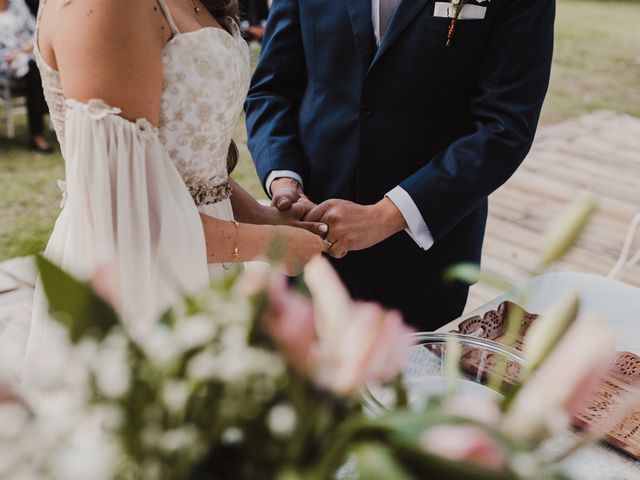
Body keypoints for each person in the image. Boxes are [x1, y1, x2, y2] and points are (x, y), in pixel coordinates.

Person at [17, 0, 328, 388]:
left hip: (207, 257)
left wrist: (263, 217)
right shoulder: (106, 7)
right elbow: (127, 215)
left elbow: (186, 162)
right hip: (139, 279)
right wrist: (272, 244)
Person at [246, 0, 555, 329]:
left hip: (424, 260)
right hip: (308, 242)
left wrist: (385, 216)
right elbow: (272, 91)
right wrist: (285, 183)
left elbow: (504, 127)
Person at [0, 0, 53, 152]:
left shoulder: (18, 4)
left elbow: (36, 30)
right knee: (35, 70)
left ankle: (39, 132)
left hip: (29, 53)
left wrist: (25, 49)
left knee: (37, 67)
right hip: (5, 60)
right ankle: (37, 134)